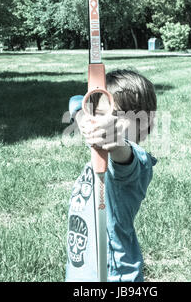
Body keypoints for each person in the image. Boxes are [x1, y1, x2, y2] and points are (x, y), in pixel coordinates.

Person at [65, 69, 158, 282]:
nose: (105, 123)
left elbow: (123, 154)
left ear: (144, 124)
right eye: (100, 114)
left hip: (115, 278)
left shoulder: (137, 162)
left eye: (116, 117)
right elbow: (76, 101)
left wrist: (116, 142)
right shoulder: (99, 153)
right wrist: (82, 118)